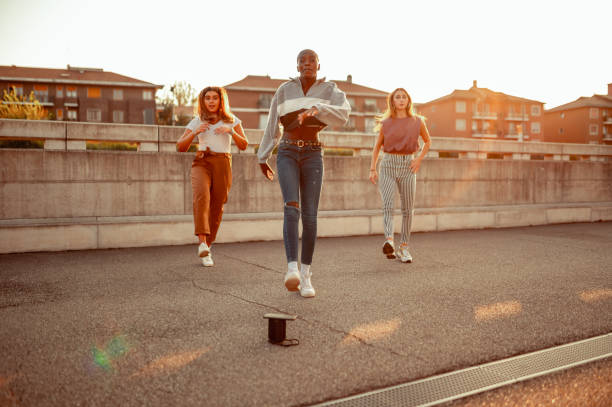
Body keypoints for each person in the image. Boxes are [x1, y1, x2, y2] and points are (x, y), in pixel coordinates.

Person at [258, 49, 350, 297]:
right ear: (297, 66)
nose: (307, 64)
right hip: (287, 151)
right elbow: (271, 124)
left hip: (313, 153)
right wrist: (262, 155)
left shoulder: (330, 90)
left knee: (309, 216)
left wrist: (318, 109)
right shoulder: (284, 89)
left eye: (311, 61)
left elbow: (345, 115)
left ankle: (306, 275)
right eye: (302, 61)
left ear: (319, 65)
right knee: (291, 207)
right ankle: (291, 269)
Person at [177, 86, 248, 267]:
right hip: (202, 162)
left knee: (217, 206)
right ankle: (202, 242)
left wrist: (231, 131)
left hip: (223, 163)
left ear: (220, 100)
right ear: (203, 101)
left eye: (214, 98)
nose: (211, 101)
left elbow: (244, 145)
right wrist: (195, 132)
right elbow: (180, 146)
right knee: (201, 196)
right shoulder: (197, 121)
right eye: (207, 98)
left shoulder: (232, 120)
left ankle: (208, 247)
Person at [369, 88, 431, 263]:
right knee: (388, 205)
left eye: (404, 97)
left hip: (408, 166)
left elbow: (428, 142)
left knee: (407, 209)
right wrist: (372, 169)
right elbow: (376, 147)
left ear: (408, 100)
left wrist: (418, 160)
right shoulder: (386, 122)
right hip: (388, 165)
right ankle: (389, 240)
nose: (401, 100)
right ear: (393, 101)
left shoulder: (418, 121)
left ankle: (404, 247)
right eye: (398, 97)